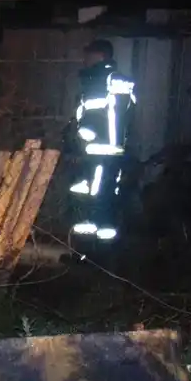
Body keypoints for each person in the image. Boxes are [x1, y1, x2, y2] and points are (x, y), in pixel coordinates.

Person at [69, 39, 136, 241]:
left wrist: (84, 133)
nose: (84, 59)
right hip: (97, 149)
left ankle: (97, 244)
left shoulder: (106, 80)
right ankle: (91, 244)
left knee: (99, 192)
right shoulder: (96, 80)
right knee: (96, 191)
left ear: (100, 56)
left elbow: (98, 113)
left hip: (101, 149)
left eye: (88, 54)